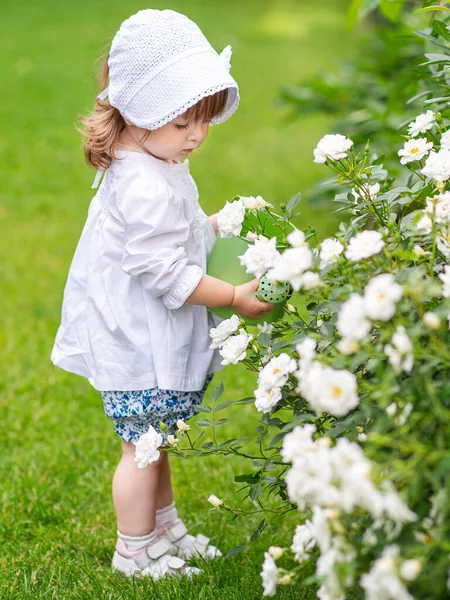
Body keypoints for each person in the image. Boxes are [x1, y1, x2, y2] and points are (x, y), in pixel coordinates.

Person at [51, 9, 274, 580]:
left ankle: (164, 527)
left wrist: (214, 226)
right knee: (141, 445)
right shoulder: (144, 180)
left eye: (202, 120)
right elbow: (159, 268)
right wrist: (231, 297)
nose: (197, 135)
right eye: (182, 123)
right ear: (139, 115)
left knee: (157, 439)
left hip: (146, 328)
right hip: (136, 336)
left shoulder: (155, 157)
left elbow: (176, 234)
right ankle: (133, 549)